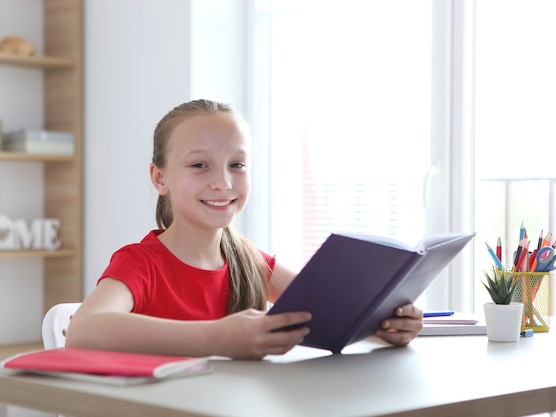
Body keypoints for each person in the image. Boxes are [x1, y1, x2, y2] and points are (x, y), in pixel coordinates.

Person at [66, 99, 423, 360]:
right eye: (200, 165)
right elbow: (83, 330)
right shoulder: (141, 263)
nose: (223, 182)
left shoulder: (248, 260)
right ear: (160, 178)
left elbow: (334, 313)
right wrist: (216, 338)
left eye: (237, 164)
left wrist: (386, 325)